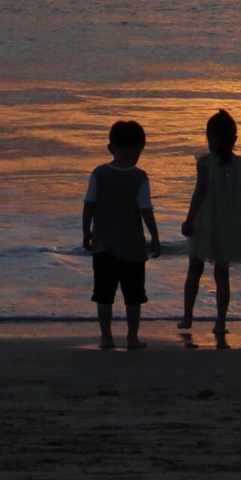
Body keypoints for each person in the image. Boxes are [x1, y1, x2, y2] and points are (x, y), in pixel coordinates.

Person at [81, 119, 162, 350]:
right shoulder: (139, 177)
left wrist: (86, 231)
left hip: (103, 244)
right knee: (134, 296)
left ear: (110, 147)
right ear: (138, 147)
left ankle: (106, 337)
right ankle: (132, 338)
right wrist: (155, 237)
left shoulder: (99, 173)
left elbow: (89, 205)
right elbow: (145, 209)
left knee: (104, 295)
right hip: (132, 247)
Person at [178, 108, 241, 338]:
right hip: (230, 223)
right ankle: (220, 322)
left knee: (195, 268)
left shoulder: (205, 162)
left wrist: (190, 219)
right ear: (234, 140)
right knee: (222, 275)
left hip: (206, 221)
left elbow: (199, 193)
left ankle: (187, 317)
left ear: (211, 138)